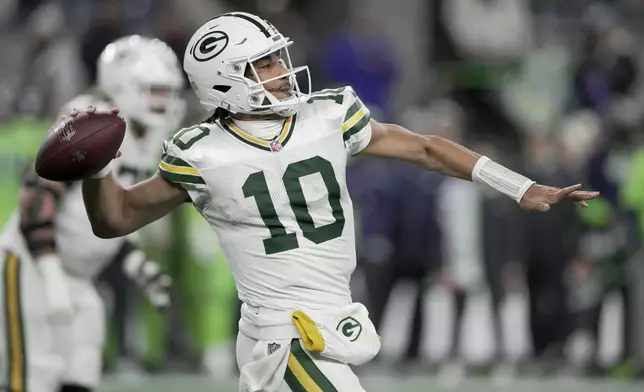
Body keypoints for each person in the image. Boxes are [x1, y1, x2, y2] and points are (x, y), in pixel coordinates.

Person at [71, 12, 598, 391]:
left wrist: (519, 186)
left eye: (277, 56)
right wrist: (95, 170)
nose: (282, 68)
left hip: (328, 320)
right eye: (265, 63)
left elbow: (427, 148)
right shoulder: (200, 153)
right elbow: (114, 218)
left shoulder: (326, 115)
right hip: (283, 335)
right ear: (226, 81)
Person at [0, 35, 183, 392]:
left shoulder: (152, 135)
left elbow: (106, 214)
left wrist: (136, 265)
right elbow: (38, 195)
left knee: (82, 366)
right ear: (122, 86)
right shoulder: (91, 119)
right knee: (34, 372)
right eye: (154, 90)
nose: (164, 101)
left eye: (167, 91)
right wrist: (50, 275)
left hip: (82, 273)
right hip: (33, 261)